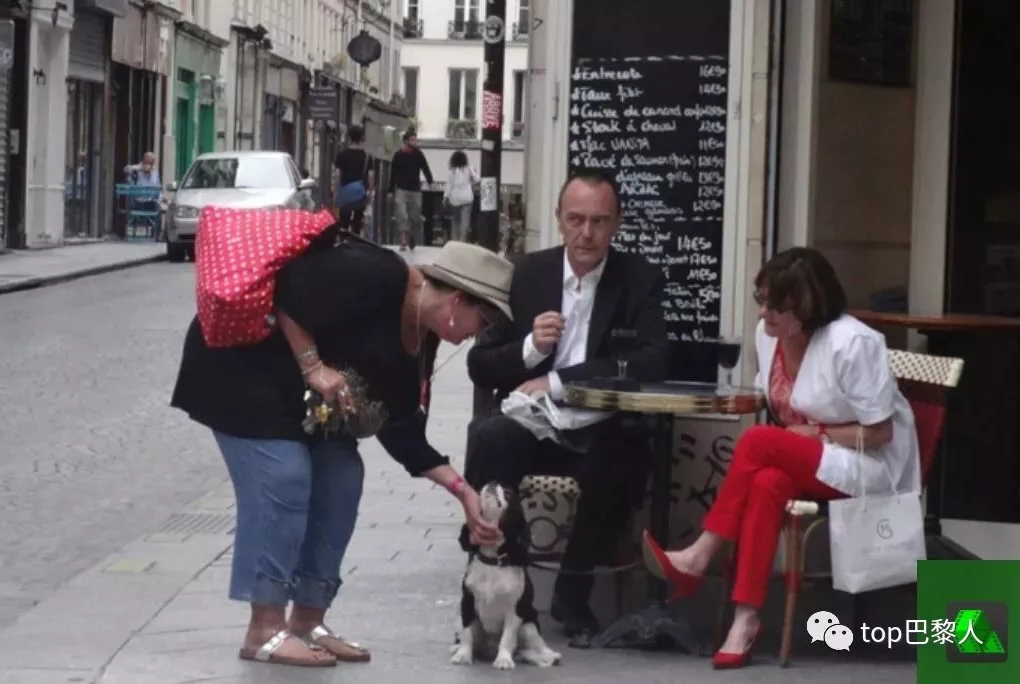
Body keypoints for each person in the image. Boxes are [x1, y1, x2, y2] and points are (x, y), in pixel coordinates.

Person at [171, 239, 514, 669]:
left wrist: (463, 491)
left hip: (300, 404)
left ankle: (308, 621)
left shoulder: (421, 342)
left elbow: (402, 429)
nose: (473, 336)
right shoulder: (380, 274)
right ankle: (264, 627)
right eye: (480, 322)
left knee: (342, 476)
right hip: (241, 371)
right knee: (285, 475)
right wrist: (314, 366)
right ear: (458, 300)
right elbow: (290, 294)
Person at [641, 247, 919, 670]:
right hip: (808, 459)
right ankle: (746, 618)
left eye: (778, 305)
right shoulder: (767, 336)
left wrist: (820, 432)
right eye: (762, 300)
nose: (765, 314)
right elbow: (774, 399)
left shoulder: (854, 343)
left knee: (758, 442)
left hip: (865, 463)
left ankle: (700, 554)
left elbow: (881, 432)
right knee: (767, 481)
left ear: (809, 307)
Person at [465, 169, 669, 640]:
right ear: (559, 220)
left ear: (616, 224)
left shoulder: (638, 279)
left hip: (599, 424)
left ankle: (572, 594)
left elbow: (654, 358)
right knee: (491, 438)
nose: (587, 233)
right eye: (576, 219)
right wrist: (529, 350)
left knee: (625, 461)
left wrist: (555, 379)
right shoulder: (527, 273)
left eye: (599, 221)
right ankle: (499, 583)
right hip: (533, 425)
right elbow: (481, 364)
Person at [387, 130, 433, 251]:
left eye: (415, 140)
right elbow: (393, 174)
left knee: (415, 216)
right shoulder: (398, 155)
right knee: (402, 215)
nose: (415, 142)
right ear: (406, 141)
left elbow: (425, 168)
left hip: (415, 190)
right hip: (401, 190)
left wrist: (430, 182)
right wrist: (390, 190)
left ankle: (411, 236)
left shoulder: (418, 154)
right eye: (412, 140)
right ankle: (403, 240)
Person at [334, 125, 374, 235]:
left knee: (343, 222)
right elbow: (371, 176)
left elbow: (337, 175)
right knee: (357, 222)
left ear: (349, 138)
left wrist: (336, 192)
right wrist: (370, 194)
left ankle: (343, 241)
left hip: (345, 194)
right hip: (360, 194)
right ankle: (355, 241)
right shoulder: (367, 157)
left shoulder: (341, 155)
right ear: (361, 139)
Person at [445, 150, 479, 242]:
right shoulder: (468, 168)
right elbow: (477, 179)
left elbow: (449, 185)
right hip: (467, 198)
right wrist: (471, 180)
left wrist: (445, 197)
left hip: (455, 199)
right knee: (465, 221)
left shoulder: (452, 171)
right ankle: (462, 240)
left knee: (455, 220)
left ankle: (455, 240)